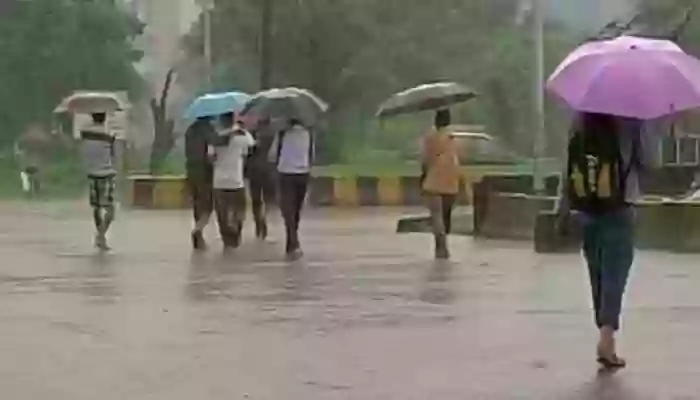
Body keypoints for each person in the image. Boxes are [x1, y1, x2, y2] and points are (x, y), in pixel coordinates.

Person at [556, 112, 657, 369]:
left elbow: (569, 164)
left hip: (586, 206)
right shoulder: (633, 117)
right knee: (616, 271)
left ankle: (603, 329)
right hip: (620, 204)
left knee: (598, 271)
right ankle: (607, 336)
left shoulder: (580, 116)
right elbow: (649, 161)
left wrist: (563, 208)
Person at [209, 112, 256, 252]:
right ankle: (236, 235)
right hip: (236, 180)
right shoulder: (242, 136)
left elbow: (210, 159)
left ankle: (226, 240)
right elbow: (250, 149)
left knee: (222, 213)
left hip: (219, 181)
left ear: (221, 121)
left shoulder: (214, 137)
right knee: (239, 210)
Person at [269, 118, 314, 260]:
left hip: (285, 174)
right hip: (303, 174)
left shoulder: (282, 133)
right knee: (296, 209)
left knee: (287, 209)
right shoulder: (308, 133)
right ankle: (293, 241)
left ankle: (292, 241)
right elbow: (312, 155)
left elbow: (272, 156)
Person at [421, 109, 461, 260]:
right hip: (452, 180)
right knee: (445, 215)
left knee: (436, 216)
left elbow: (426, 159)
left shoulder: (431, 137)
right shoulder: (452, 138)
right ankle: (444, 246)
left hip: (434, 179)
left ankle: (441, 247)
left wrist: (423, 175)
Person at [80, 112, 118, 251]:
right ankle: (101, 236)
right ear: (105, 117)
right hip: (106, 174)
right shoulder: (109, 135)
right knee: (110, 209)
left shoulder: (85, 134)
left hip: (92, 174)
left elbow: (83, 152)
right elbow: (114, 156)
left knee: (96, 207)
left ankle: (100, 236)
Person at [185, 116, 216, 250]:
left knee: (197, 204)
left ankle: (199, 237)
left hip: (191, 170)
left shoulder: (190, 130)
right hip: (204, 172)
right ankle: (198, 229)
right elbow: (212, 151)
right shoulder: (208, 130)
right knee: (208, 205)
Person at [245, 117, 277, 240]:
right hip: (269, 171)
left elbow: (247, 154)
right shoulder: (273, 136)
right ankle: (263, 218)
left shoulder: (252, 135)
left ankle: (258, 222)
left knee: (256, 200)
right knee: (268, 199)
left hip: (254, 172)